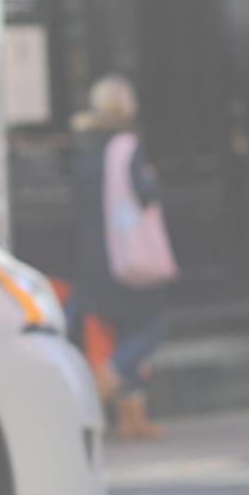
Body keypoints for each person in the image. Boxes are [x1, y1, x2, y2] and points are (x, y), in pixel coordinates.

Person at [68, 75, 172, 441]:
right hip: (125, 254)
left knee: (122, 326)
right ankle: (109, 377)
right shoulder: (127, 147)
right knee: (149, 327)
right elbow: (145, 192)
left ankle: (132, 417)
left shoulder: (85, 148)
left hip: (92, 255)